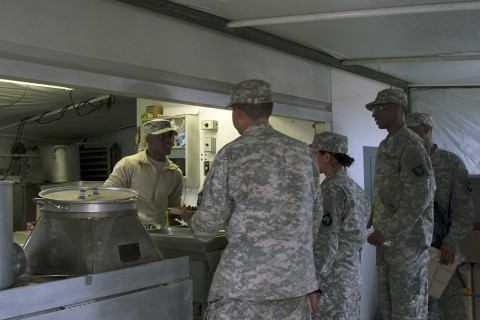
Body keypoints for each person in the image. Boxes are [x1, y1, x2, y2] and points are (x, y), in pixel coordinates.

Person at [184, 79, 323, 319]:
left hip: (243, 287)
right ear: (269, 110)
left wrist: (191, 220)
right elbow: (315, 216)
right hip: (294, 283)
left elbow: (207, 227)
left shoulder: (231, 153)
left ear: (237, 112)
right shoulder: (303, 153)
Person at [365, 88, 435, 320]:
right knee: (389, 311)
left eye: (379, 108)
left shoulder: (411, 145)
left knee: (408, 312)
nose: (374, 113)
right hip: (388, 247)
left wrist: (386, 230)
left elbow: (419, 198)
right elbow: (386, 192)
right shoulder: (387, 144)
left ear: (397, 108)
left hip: (407, 246)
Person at [405, 112, 474, 320]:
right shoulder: (404, 164)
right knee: (412, 311)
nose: (409, 137)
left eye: (413, 131)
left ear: (427, 129)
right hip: (413, 255)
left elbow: (464, 211)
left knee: (453, 311)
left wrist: (451, 242)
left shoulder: (451, 163)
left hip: (444, 255)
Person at [310, 132, 371, 320]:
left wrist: (314, 283)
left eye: (315, 154)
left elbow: (326, 240)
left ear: (326, 157)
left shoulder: (331, 190)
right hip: (350, 274)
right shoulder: (356, 189)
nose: (312, 159)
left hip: (331, 280)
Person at [104, 118, 183, 228]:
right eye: (162, 137)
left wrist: (177, 233)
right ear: (149, 140)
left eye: (170, 136)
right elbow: (108, 195)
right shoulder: (129, 164)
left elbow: (175, 209)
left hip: (158, 233)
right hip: (130, 230)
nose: (169, 141)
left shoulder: (175, 173)